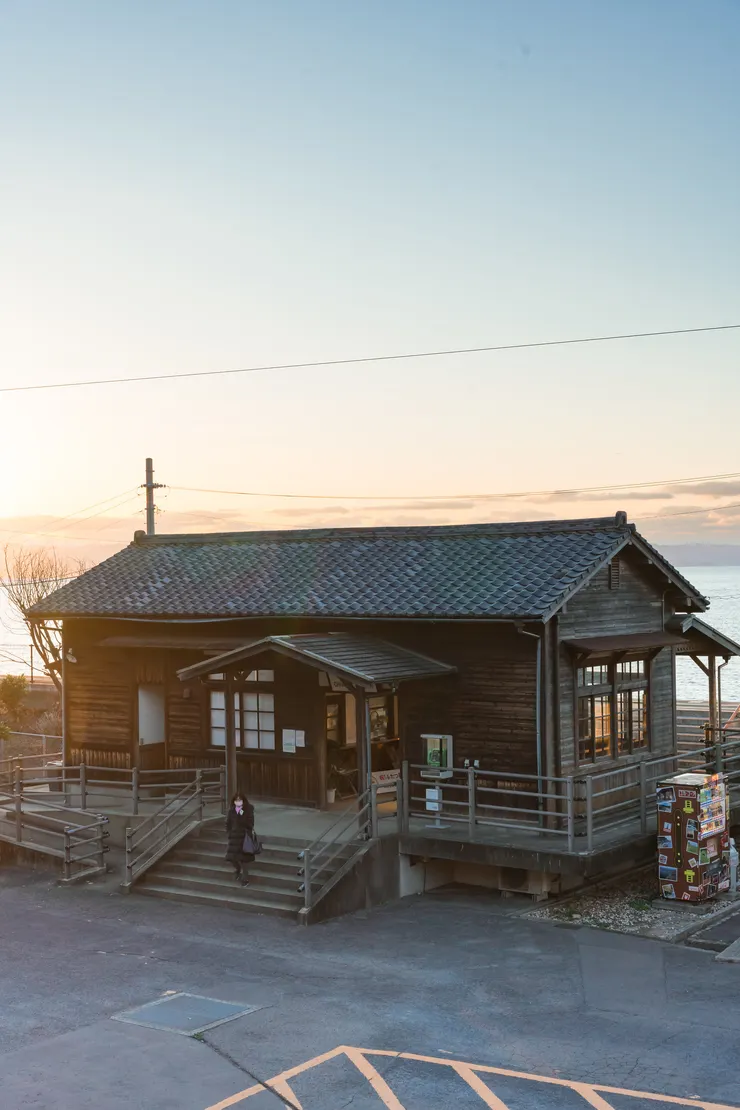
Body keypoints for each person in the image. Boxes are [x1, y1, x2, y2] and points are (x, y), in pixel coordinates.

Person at [225, 792, 255, 885]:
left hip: (244, 837)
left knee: (244, 859)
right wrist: (229, 832)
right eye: (236, 800)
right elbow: (228, 823)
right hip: (234, 838)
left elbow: (250, 824)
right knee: (231, 858)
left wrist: (241, 814)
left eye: (240, 800)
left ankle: (245, 878)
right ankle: (238, 869)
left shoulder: (248, 810)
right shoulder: (231, 811)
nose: (238, 802)